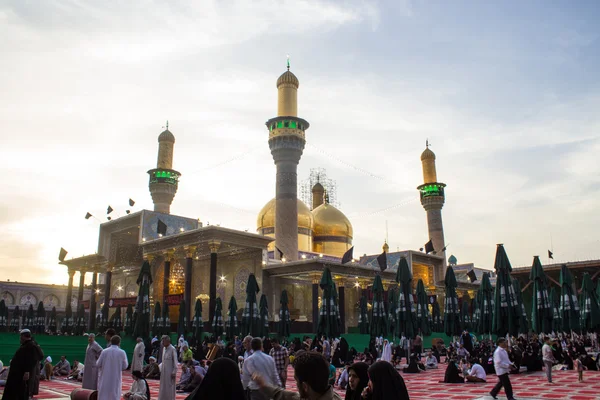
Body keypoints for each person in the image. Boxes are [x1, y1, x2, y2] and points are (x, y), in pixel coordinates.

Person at [252, 351, 342, 400]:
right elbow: (282, 395)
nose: (296, 385)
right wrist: (263, 385)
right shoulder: (314, 394)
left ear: (305, 386)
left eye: (296, 381)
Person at [1, 329, 40, 400]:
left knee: (20, 392)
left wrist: (27, 371)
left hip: (21, 375)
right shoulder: (27, 345)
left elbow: (32, 359)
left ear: (23, 336)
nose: (20, 338)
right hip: (17, 374)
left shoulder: (31, 346)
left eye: (20, 336)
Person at [97, 335, 128, 400]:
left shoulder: (104, 351)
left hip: (104, 377)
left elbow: (98, 364)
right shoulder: (122, 352)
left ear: (111, 342)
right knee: (114, 393)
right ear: (119, 343)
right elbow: (125, 366)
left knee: (103, 394)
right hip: (116, 377)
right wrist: (118, 366)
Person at [158, 335, 177, 400]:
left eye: (163, 341)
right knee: (163, 386)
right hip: (163, 372)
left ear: (167, 341)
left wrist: (174, 372)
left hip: (170, 372)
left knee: (169, 387)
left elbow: (175, 362)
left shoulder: (172, 349)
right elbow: (163, 361)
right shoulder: (164, 349)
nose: (162, 343)